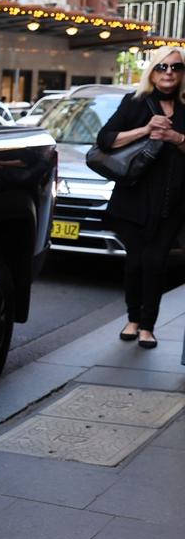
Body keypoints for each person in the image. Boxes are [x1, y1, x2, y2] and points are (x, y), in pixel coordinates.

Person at [96, 46, 185, 349]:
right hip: (133, 200)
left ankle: (148, 327)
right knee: (135, 263)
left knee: (156, 263)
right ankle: (133, 319)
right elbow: (105, 140)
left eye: (175, 67)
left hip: (173, 203)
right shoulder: (135, 103)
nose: (169, 73)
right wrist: (146, 129)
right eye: (162, 67)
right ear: (152, 72)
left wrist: (177, 138)